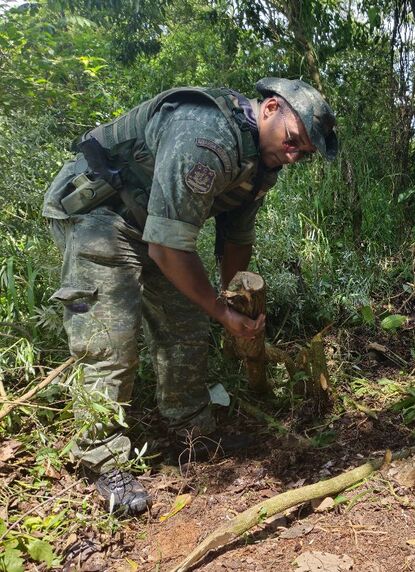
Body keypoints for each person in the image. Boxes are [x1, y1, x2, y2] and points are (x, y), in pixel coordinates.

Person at [43, 78, 338, 515]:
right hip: (100, 214)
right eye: (294, 141)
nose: (294, 155)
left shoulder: (263, 162)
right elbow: (168, 248)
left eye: (303, 152)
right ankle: (101, 457)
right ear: (270, 108)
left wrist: (229, 298)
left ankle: (191, 429)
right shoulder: (206, 137)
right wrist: (220, 311)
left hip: (154, 227)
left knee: (185, 323)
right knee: (111, 336)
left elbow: (236, 237)